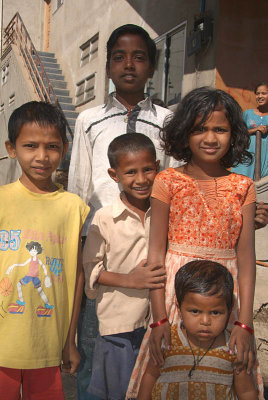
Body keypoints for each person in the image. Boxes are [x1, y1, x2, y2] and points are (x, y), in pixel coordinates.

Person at [127, 87, 264, 399]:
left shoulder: (244, 187)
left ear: (234, 134)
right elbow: (156, 255)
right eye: (200, 128)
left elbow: (246, 261)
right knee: (166, 376)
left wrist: (244, 326)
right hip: (176, 298)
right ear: (184, 133)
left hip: (225, 302)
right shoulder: (167, 182)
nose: (210, 138)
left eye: (220, 129)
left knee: (228, 376)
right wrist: (160, 319)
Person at [67, 24, 176, 399]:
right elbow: (79, 188)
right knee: (97, 348)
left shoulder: (168, 122)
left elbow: (174, 183)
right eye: (119, 57)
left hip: (153, 245)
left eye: (139, 57)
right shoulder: (88, 120)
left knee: (149, 356)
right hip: (102, 245)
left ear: (151, 67)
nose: (129, 64)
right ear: (109, 66)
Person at [0, 101, 89, 399]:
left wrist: (70, 341)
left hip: (47, 347)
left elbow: (76, 276)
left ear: (64, 149)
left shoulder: (72, 208)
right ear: (12, 148)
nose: (42, 156)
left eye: (51, 146)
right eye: (30, 146)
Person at [83, 133, 166, 400]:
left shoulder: (167, 211)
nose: (141, 179)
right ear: (114, 174)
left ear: (159, 167)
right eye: (130, 172)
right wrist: (131, 280)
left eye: (148, 169)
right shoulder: (104, 218)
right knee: (117, 392)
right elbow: (91, 269)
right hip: (119, 327)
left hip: (159, 323)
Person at [138, 260, 258, 400]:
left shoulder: (234, 347)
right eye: (195, 311)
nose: (205, 321)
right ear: (179, 308)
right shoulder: (167, 341)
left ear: (229, 309)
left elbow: (246, 392)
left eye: (215, 313)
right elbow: (150, 376)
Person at [232, 82, 268, 180]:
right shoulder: (248, 114)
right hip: (247, 156)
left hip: (265, 158)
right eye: (257, 93)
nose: (260, 96)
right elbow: (237, 132)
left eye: (264, 93)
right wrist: (256, 130)